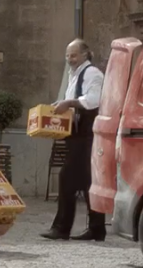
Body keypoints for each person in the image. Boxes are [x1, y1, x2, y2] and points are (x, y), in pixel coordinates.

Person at [42, 39, 107, 242]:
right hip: (76, 136)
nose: (69, 59)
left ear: (85, 55)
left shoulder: (92, 74)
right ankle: (97, 229)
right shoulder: (75, 75)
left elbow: (93, 100)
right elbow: (73, 103)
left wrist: (69, 102)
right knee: (88, 182)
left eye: (74, 55)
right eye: (68, 55)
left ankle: (62, 228)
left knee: (66, 178)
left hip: (86, 136)